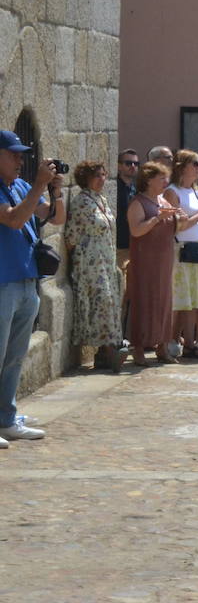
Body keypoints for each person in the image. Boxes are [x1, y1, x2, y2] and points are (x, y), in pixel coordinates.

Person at [0, 132, 65, 446]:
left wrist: (56, 192)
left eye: (21, 154)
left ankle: (6, 419)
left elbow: (55, 216)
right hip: (3, 283)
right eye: (13, 154)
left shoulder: (23, 187)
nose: (20, 160)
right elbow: (13, 220)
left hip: (27, 282)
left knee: (14, 358)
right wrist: (40, 184)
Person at [64, 161, 124, 372]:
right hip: (90, 263)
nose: (102, 179)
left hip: (105, 262)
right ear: (86, 178)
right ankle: (107, 352)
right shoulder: (81, 201)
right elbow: (70, 237)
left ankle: (104, 352)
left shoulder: (101, 200)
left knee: (107, 304)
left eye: (104, 175)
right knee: (100, 304)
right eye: (97, 175)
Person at [125, 161, 180, 367]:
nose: (166, 181)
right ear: (148, 180)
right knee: (144, 300)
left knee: (164, 301)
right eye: (162, 178)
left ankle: (162, 346)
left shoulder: (164, 201)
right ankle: (138, 347)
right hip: (145, 260)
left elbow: (176, 228)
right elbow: (136, 230)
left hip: (164, 259)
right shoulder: (138, 202)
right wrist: (158, 218)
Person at [166, 150, 198, 359]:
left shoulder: (196, 192)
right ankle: (180, 340)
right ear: (182, 166)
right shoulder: (172, 192)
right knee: (182, 298)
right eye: (195, 164)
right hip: (180, 249)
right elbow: (178, 226)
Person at [114, 148, 139, 270]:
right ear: (119, 166)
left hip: (134, 244)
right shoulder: (114, 188)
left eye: (136, 163)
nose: (133, 166)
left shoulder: (135, 188)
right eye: (128, 163)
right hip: (119, 245)